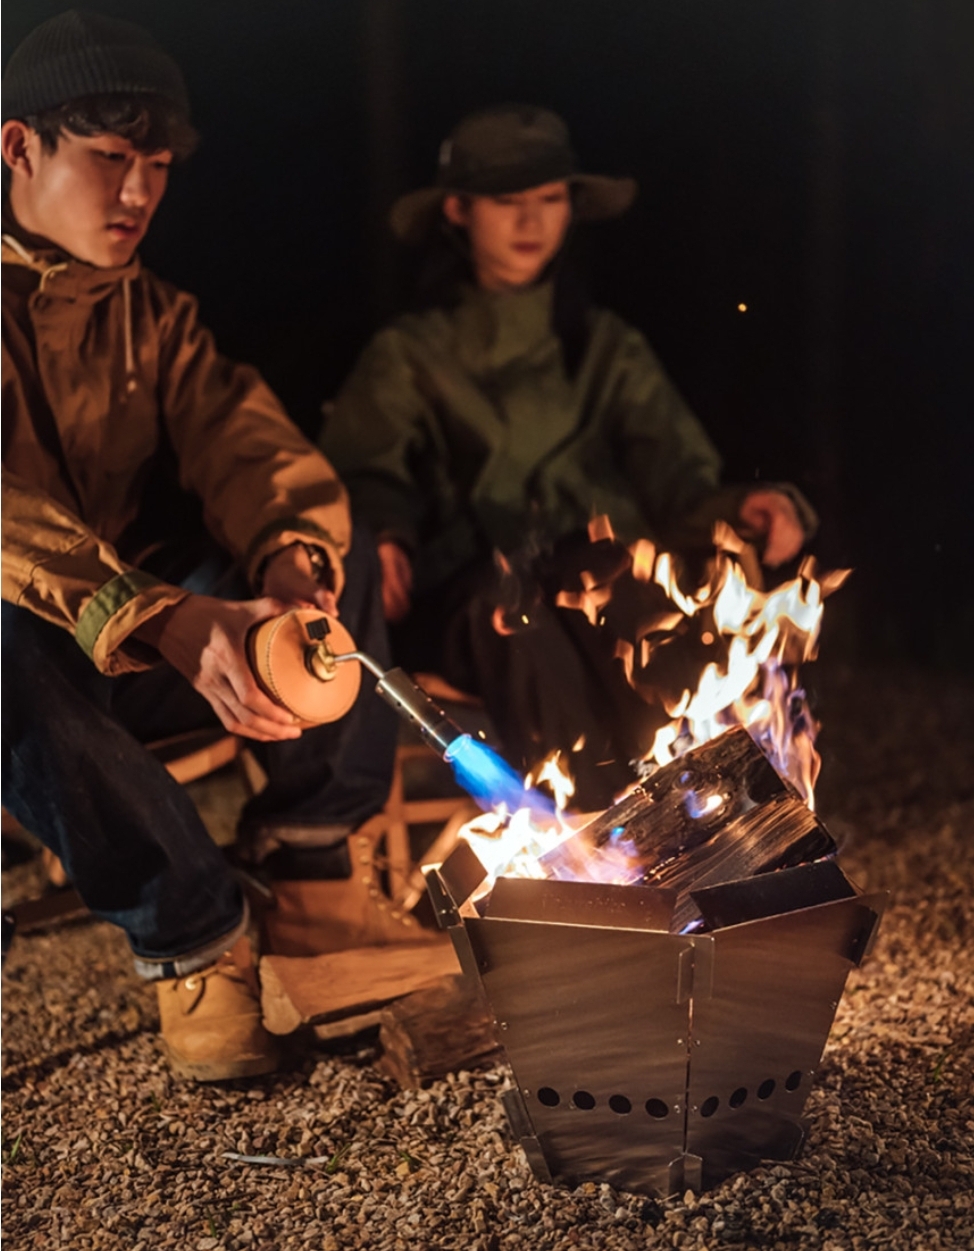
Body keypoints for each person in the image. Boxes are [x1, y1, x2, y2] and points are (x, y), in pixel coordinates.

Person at [1, 9, 400, 1081]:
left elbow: (245, 439)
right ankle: (195, 940)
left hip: (126, 650)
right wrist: (157, 615)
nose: (138, 192)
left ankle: (314, 870)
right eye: (109, 158)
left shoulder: (155, 318)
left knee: (331, 547)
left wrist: (287, 562)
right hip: (32, 668)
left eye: (159, 167)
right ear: (18, 147)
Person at [321, 104, 817, 809]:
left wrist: (745, 507)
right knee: (514, 612)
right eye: (507, 200)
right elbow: (367, 465)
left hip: (602, 571)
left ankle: (713, 812)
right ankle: (600, 827)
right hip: (469, 593)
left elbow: (676, 475)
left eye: (550, 198)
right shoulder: (410, 353)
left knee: (635, 591)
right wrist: (387, 530)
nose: (531, 220)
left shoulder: (608, 348)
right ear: (458, 210)